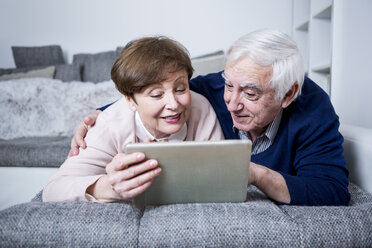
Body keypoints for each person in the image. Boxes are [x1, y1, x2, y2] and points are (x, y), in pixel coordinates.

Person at [69, 29, 350, 206]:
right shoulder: (212, 88)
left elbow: (331, 190)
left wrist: (254, 173)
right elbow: (155, 93)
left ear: (287, 95)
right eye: (229, 85)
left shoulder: (312, 107)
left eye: (250, 94)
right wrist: (100, 113)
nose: (231, 102)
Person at [42, 36, 224, 202]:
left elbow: (221, 174)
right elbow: (53, 190)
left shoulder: (201, 108)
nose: (174, 104)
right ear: (130, 100)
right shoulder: (110, 124)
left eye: (180, 89)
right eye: (156, 94)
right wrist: (110, 187)